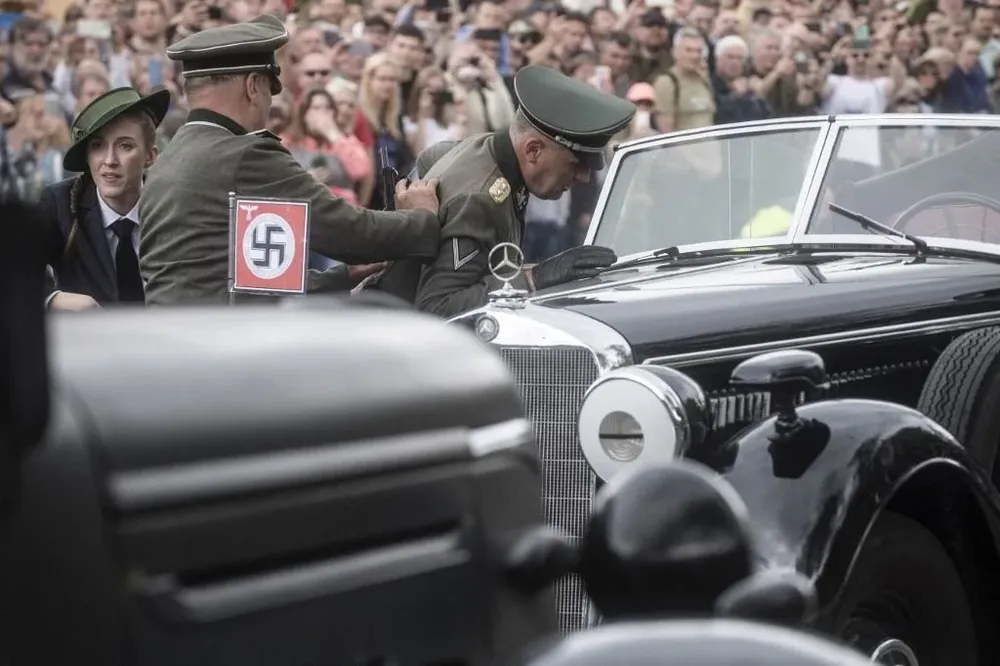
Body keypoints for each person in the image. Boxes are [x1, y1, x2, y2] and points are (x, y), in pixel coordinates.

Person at [138, 15, 442, 306]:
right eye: (269, 90)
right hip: (225, 344)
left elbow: (244, 278)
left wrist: (341, 277)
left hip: (181, 338)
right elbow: (349, 233)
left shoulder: (170, 157)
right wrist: (421, 219)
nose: (270, 103)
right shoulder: (244, 154)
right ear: (252, 86)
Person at [371, 65, 634, 318]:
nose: (585, 178)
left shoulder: (493, 155)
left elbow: (431, 157)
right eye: (575, 164)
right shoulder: (479, 198)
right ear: (533, 150)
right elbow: (439, 306)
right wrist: (535, 278)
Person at [39, 86, 169, 310]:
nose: (109, 160)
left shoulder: (170, 206)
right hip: (87, 341)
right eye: (97, 146)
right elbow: (13, 271)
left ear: (150, 156)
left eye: (125, 146)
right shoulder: (61, 204)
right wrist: (55, 299)